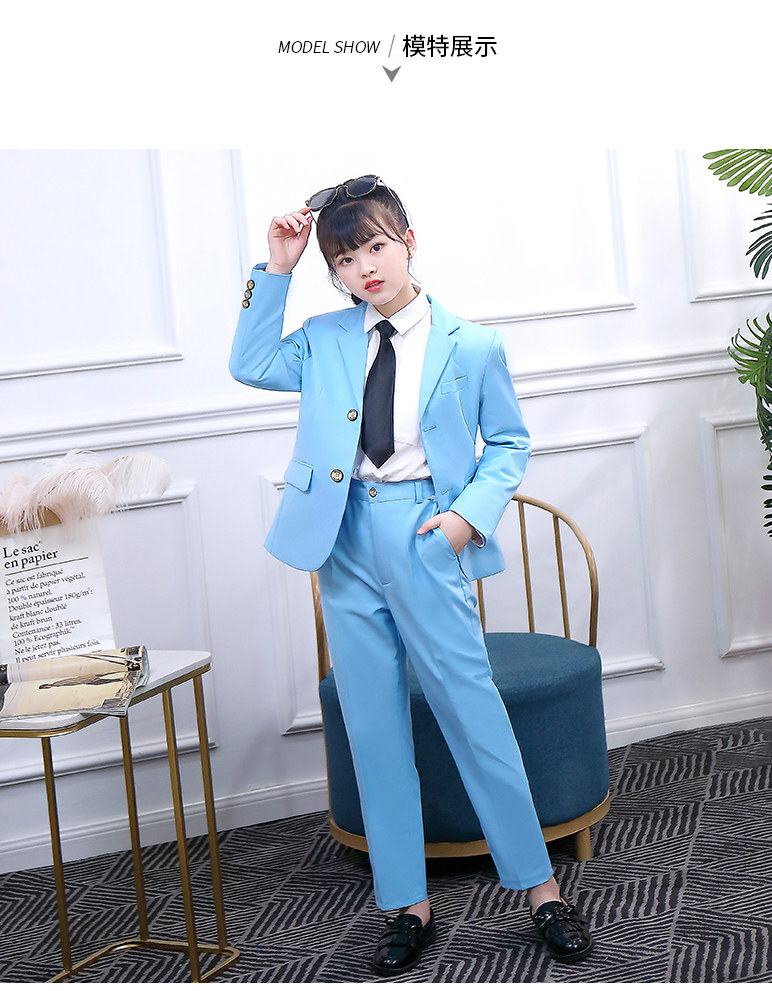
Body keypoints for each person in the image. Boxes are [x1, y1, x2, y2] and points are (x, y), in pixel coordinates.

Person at [229, 176, 594, 975]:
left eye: (375, 246)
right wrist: (278, 269)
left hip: (427, 530)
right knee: (373, 725)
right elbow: (249, 362)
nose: (363, 267)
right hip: (343, 537)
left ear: (408, 241)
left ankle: (541, 890)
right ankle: (406, 903)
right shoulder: (323, 338)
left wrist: (467, 515)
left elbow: (509, 443)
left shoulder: (473, 344)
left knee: (473, 710)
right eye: (344, 258)